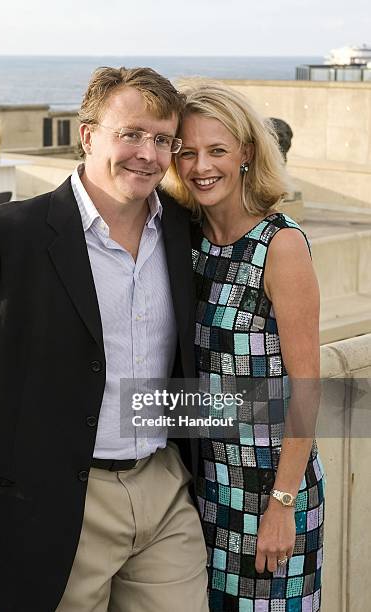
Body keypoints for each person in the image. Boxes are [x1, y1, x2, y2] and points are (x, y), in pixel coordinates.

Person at [0, 67, 208, 612]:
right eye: (132, 134)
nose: (148, 153)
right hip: (57, 504)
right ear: (89, 134)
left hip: (165, 489)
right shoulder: (11, 235)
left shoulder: (182, 231)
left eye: (163, 139)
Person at [163, 81, 325, 611]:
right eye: (187, 152)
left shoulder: (280, 245)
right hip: (203, 490)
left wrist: (282, 505)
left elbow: (306, 388)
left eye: (217, 150)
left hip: (272, 491)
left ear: (247, 154)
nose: (200, 166)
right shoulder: (185, 241)